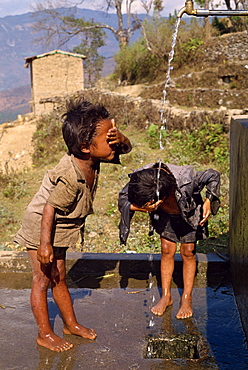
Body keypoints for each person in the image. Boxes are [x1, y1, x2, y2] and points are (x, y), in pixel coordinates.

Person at [15, 98, 132, 352]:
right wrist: (44, 244)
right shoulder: (70, 175)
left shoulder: (93, 157)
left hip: (61, 226)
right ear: (85, 146)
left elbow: (126, 149)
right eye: (108, 139)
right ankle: (44, 334)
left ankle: (70, 325)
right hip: (41, 227)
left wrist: (120, 137)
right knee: (42, 279)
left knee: (60, 277)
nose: (113, 144)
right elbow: (50, 208)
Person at [118, 162, 220, 319]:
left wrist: (208, 200)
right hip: (165, 216)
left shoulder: (187, 179)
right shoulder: (140, 180)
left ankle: (187, 298)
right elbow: (123, 198)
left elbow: (213, 175)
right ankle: (166, 296)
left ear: (163, 195)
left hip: (190, 214)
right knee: (166, 250)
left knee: (188, 252)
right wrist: (143, 208)